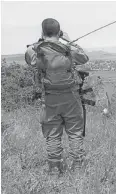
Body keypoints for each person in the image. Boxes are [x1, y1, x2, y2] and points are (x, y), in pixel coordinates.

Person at [25, 18, 89, 176]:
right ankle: (78, 168)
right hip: (71, 97)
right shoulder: (68, 49)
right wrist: (68, 40)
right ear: (59, 32)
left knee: (52, 134)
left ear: (42, 32)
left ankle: (54, 169)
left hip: (50, 99)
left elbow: (30, 59)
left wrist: (41, 43)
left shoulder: (36, 50)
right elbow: (84, 58)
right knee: (75, 132)